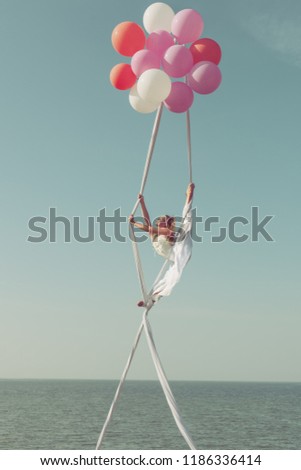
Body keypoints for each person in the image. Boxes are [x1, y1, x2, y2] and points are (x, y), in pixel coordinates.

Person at [129, 183, 195, 307]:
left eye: (161, 221)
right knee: (169, 278)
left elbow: (148, 228)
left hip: (182, 248)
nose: (158, 222)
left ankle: (189, 196)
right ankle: (151, 299)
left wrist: (134, 223)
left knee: (187, 223)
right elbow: (147, 220)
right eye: (159, 221)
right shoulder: (155, 236)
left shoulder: (166, 232)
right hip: (176, 257)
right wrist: (142, 203)